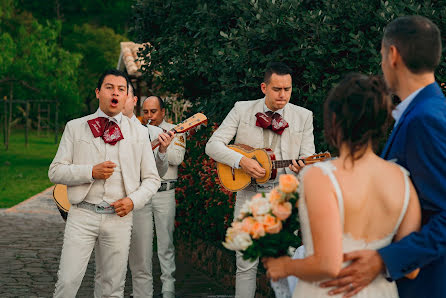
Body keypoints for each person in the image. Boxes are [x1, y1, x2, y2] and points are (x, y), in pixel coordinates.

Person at [320, 16, 446, 298]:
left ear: (393, 55)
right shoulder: (426, 111)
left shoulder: (425, 120)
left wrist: (384, 259)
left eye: (381, 55)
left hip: (425, 285)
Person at [263, 73, 421, 297]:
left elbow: (327, 265)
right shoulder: (402, 179)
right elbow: (412, 267)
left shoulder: (319, 175)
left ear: (334, 120)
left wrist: (283, 266)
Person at [205, 61, 315, 298]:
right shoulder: (242, 109)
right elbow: (212, 145)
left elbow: (308, 159)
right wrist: (241, 161)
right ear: (264, 87)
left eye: (287, 89)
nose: (283, 95)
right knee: (245, 263)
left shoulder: (303, 117)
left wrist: (300, 168)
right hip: (248, 194)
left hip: (283, 198)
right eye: (277, 89)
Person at [49, 69, 161, 298]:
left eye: (122, 89)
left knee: (112, 287)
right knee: (67, 282)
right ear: (98, 92)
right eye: (110, 87)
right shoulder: (75, 127)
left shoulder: (139, 133)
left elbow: (152, 179)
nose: (115, 93)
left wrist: (133, 201)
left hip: (119, 218)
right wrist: (90, 171)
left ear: (127, 96)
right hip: (82, 215)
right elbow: (55, 171)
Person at [93, 81, 174, 298]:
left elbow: (158, 170)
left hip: (139, 206)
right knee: (104, 269)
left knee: (142, 266)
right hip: (106, 205)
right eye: (113, 92)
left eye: (123, 93)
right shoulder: (100, 127)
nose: (117, 97)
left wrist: (163, 151)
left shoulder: (152, 132)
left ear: (133, 100)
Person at [132, 95, 186, 298]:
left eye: (153, 111)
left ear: (163, 112)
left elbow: (176, 158)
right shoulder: (136, 131)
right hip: (141, 192)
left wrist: (159, 140)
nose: (149, 116)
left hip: (165, 191)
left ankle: (168, 289)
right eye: (145, 111)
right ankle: (142, 290)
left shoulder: (176, 130)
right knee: (140, 244)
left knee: (166, 242)